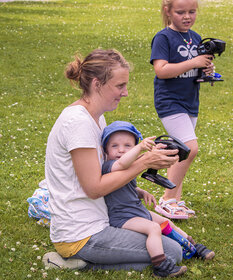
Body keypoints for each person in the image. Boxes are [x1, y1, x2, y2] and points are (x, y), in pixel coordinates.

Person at [42, 49, 184, 272]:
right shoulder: (78, 123)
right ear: (97, 84)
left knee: (165, 242)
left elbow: (108, 170)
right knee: (173, 252)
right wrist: (144, 162)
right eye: (120, 86)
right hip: (81, 234)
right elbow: (94, 188)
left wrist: (140, 161)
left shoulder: (96, 118)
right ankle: (82, 264)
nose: (125, 93)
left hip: (101, 219)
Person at [101, 121, 215, 278]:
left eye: (127, 145)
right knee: (153, 229)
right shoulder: (109, 165)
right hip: (122, 217)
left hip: (136, 210)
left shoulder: (128, 166)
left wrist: (141, 192)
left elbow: (125, 187)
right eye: (114, 146)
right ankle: (160, 265)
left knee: (167, 223)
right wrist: (139, 148)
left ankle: (193, 246)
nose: (121, 150)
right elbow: (122, 162)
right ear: (106, 150)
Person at [150, 0, 215, 219]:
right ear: (168, 11)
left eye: (191, 11)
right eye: (180, 12)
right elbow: (162, 70)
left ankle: (175, 200)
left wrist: (206, 69)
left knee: (180, 153)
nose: (187, 16)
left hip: (190, 102)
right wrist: (193, 62)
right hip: (170, 102)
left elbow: (195, 69)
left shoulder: (195, 37)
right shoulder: (163, 38)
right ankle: (167, 201)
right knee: (189, 148)